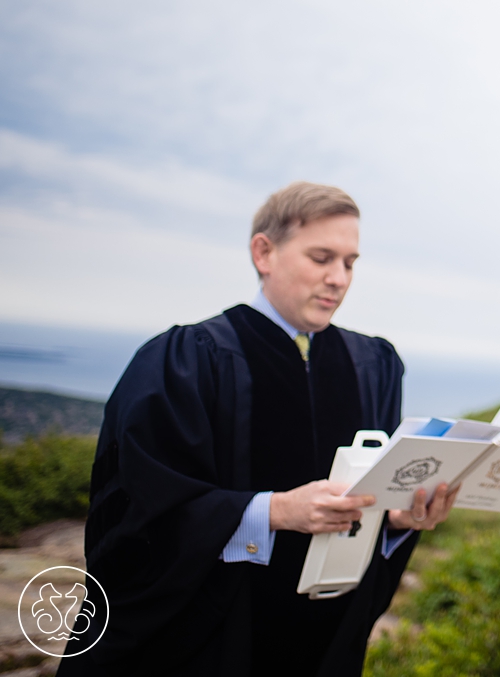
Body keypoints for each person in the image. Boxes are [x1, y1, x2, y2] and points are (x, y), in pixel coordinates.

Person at [60, 182, 456, 677]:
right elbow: (137, 514)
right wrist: (274, 511)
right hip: (209, 646)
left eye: (350, 262)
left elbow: (367, 497)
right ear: (264, 252)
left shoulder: (372, 365)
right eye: (321, 257)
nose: (339, 279)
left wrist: (397, 521)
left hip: (324, 643)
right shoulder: (187, 360)